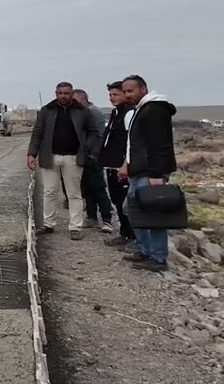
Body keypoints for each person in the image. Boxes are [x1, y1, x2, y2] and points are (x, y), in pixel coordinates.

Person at [119, 75, 178, 272]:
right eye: (125, 91)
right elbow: (134, 144)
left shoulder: (155, 109)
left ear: (143, 89)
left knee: (153, 213)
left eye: (131, 91)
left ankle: (158, 257)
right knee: (133, 209)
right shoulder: (142, 109)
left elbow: (160, 144)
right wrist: (127, 164)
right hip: (138, 169)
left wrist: (156, 173)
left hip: (150, 171)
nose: (127, 95)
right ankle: (145, 250)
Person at [28, 82, 98, 240]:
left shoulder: (82, 111)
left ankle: (75, 227)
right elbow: (37, 133)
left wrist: (86, 148)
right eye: (60, 93)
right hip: (50, 157)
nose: (63, 96)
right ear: (56, 93)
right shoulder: (47, 111)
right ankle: (48, 224)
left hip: (73, 158)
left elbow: (93, 132)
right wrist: (32, 153)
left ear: (72, 94)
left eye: (67, 93)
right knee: (49, 192)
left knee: (74, 194)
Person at [99, 81, 136, 247]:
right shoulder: (116, 113)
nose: (112, 98)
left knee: (123, 202)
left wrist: (125, 163)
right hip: (111, 164)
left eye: (116, 94)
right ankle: (125, 232)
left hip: (122, 166)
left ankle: (130, 235)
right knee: (117, 200)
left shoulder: (128, 113)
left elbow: (131, 140)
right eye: (110, 95)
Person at [73, 89, 114, 232]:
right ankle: (91, 217)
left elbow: (100, 136)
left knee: (98, 188)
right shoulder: (80, 113)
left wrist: (94, 155)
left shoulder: (94, 113)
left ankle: (107, 219)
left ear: (83, 99)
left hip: (93, 157)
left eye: (75, 100)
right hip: (83, 156)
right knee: (86, 188)